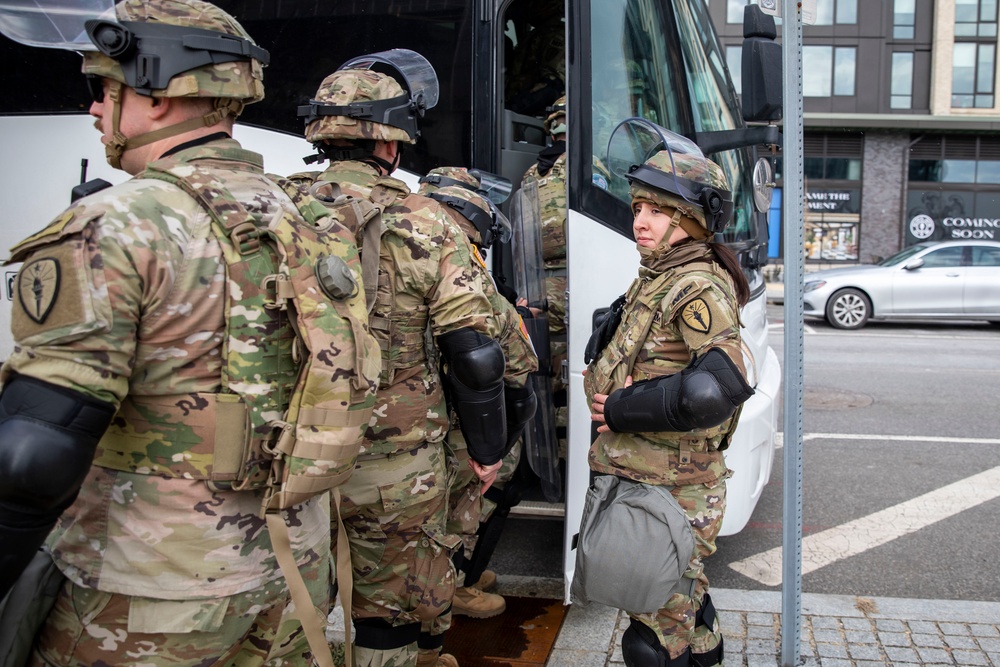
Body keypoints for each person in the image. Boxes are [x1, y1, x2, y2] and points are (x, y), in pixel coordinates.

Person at [0, 1, 380, 665]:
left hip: (150, 595)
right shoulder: (311, 219)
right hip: (292, 579)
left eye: (105, 89)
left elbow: (32, 456)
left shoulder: (119, 225)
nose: (94, 109)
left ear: (161, 91)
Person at [293, 52, 508, 667]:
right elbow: (474, 354)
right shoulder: (427, 222)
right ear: (393, 143)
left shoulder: (274, 209)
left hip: (291, 450)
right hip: (395, 458)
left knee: (293, 599)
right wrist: (487, 450)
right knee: (387, 603)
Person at [584, 123, 755, 667]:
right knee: (683, 607)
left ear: (692, 220)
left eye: (657, 212)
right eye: (638, 207)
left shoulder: (695, 284)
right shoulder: (658, 275)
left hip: (670, 486)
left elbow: (716, 388)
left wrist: (620, 408)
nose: (640, 221)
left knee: (652, 633)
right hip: (648, 476)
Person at [417, 168, 538, 628]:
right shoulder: (456, 260)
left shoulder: (404, 247)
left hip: (430, 413)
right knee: (466, 505)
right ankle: (452, 592)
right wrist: (492, 448)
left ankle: (455, 582)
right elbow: (489, 354)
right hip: (455, 420)